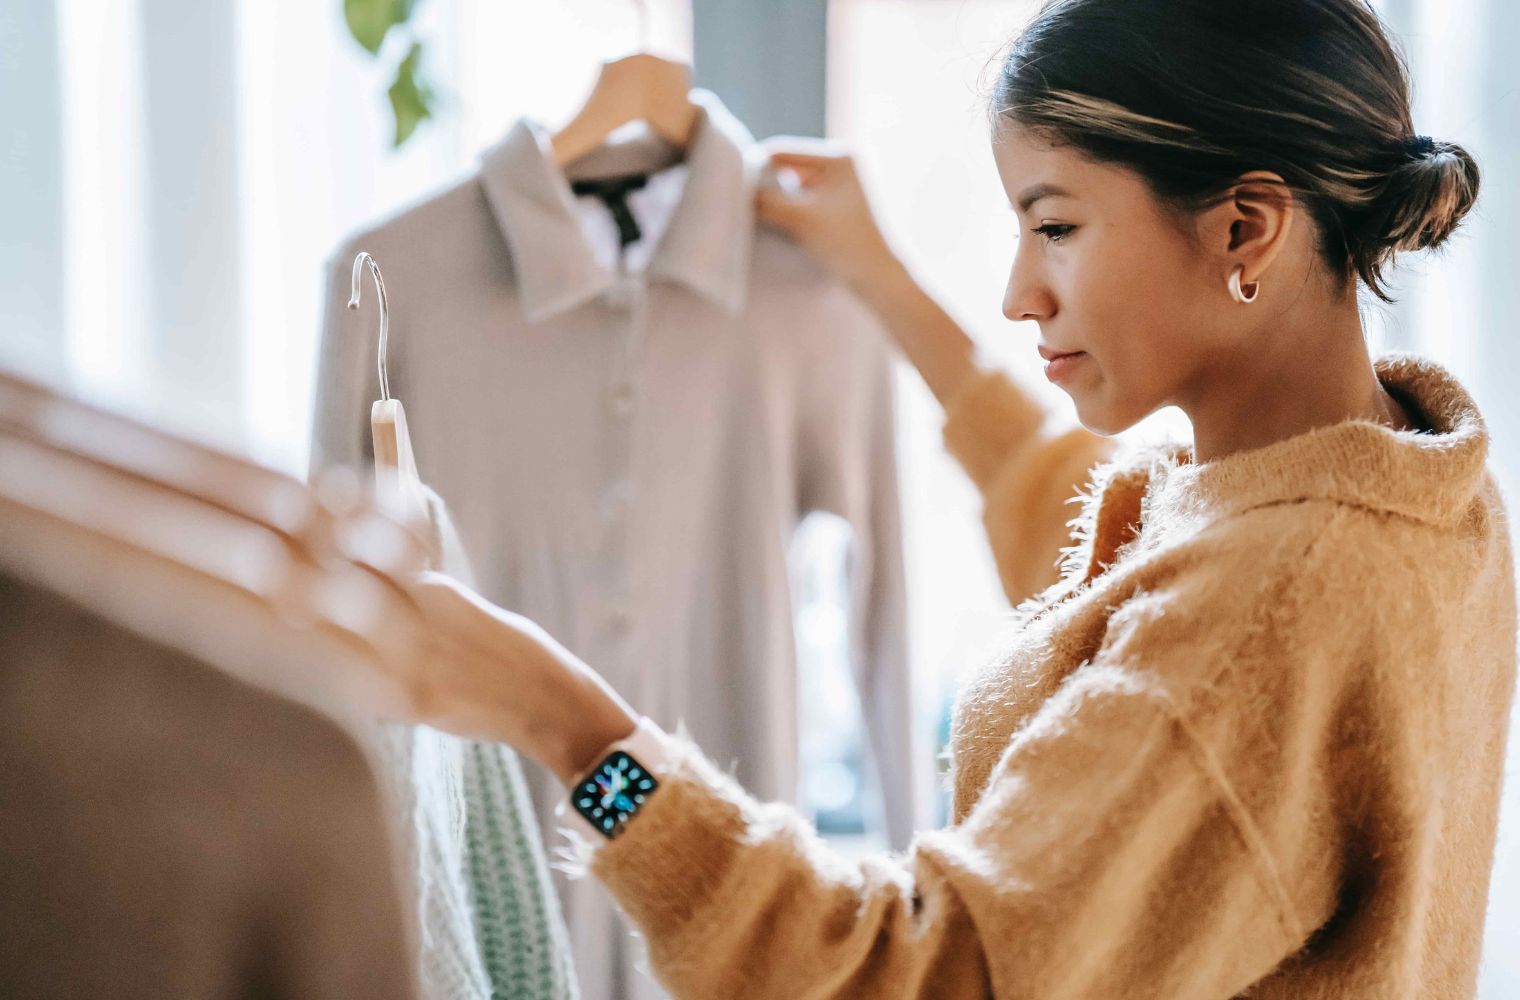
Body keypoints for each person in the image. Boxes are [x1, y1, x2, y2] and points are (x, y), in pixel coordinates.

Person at [390, 0, 1517, 996]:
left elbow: (920, 976)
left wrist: (572, 727)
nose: (1018, 292)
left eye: (1056, 226)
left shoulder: (1264, 611)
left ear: (1242, 227)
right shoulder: (1411, 488)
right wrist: (880, 279)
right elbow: (1110, 574)